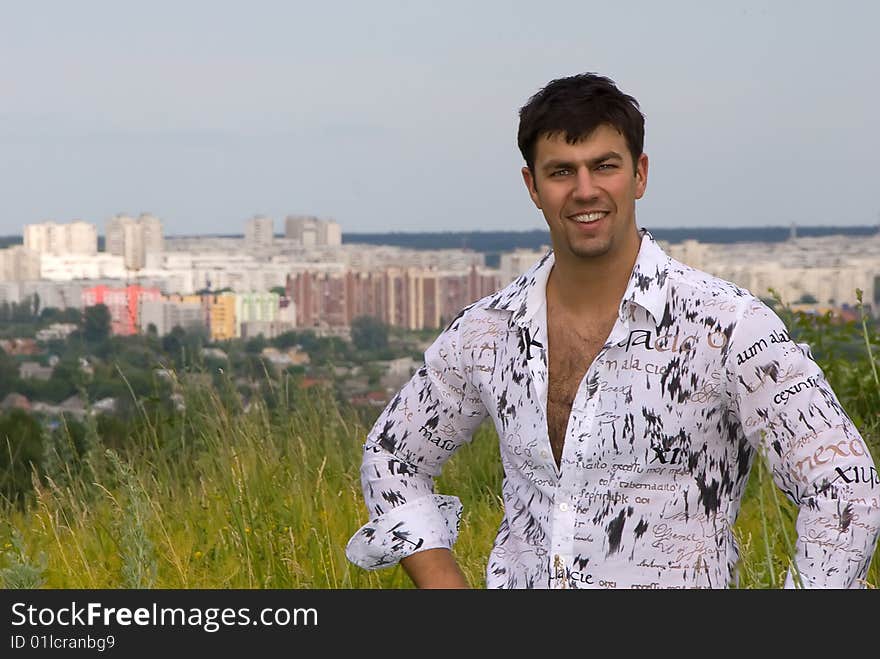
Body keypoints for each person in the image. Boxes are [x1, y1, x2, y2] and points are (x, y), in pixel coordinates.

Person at [345, 73, 880, 588]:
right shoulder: (488, 332)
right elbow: (394, 458)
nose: (584, 190)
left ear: (639, 174)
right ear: (532, 186)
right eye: (561, 172)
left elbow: (846, 490)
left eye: (604, 166)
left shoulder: (725, 325)